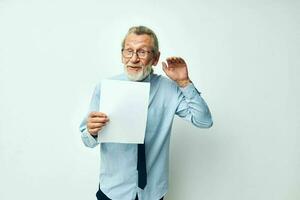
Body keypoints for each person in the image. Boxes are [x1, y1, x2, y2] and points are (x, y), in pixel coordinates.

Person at [79, 26, 213, 200]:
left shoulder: (169, 90)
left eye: (142, 52)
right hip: (113, 191)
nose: (134, 59)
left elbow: (204, 121)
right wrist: (92, 131)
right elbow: (87, 140)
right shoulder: (105, 88)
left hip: (153, 192)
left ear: (156, 58)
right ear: (122, 55)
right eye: (129, 51)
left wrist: (185, 83)